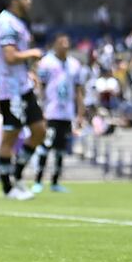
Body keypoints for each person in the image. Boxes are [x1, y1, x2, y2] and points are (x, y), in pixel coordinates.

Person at [0, 0, 46, 201]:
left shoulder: (18, 23)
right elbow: (10, 56)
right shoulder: (6, 22)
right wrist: (32, 53)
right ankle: (8, 188)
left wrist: (29, 72)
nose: (30, 1)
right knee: (10, 135)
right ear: (14, 0)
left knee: (39, 130)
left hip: (22, 85)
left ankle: (15, 174)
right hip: (11, 89)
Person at [32, 34, 85, 193]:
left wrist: (80, 114)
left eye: (67, 42)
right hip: (50, 112)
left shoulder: (74, 65)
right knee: (45, 146)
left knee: (61, 149)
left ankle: (55, 182)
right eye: (62, 42)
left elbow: (79, 91)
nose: (65, 45)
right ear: (55, 44)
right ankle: (38, 181)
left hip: (66, 113)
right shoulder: (46, 63)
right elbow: (40, 87)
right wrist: (39, 110)